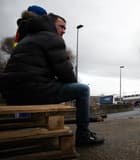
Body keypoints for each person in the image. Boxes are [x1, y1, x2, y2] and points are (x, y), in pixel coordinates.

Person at [0, 12, 104, 146]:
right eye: (61, 26)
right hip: (33, 91)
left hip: (12, 95)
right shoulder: (51, 38)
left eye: (65, 28)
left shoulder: (26, 38)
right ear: (50, 24)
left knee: (57, 86)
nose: (63, 31)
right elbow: (66, 73)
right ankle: (83, 135)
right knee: (82, 90)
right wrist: (67, 88)